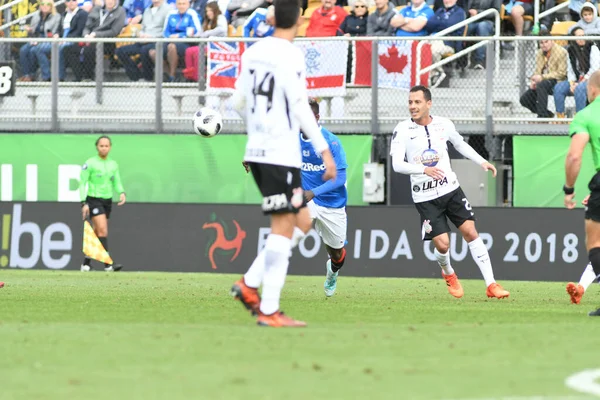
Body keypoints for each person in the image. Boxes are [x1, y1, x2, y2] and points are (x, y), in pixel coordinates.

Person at [230, 0, 336, 328]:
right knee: (283, 227)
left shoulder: (252, 52)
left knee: (304, 220)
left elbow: (238, 102)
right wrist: (323, 150)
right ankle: (269, 309)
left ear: (272, 16)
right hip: (280, 153)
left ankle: (248, 283)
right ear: (301, 19)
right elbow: (300, 105)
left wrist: (255, 136)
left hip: (260, 149)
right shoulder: (291, 55)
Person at [390, 85, 510, 299]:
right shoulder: (402, 130)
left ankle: (491, 285)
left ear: (429, 103)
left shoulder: (444, 124)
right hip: (425, 197)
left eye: (417, 102)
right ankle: (448, 272)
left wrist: (482, 162)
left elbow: (460, 144)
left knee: (470, 231)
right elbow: (397, 165)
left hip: (450, 189)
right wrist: (423, 169)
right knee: (443, 244)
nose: (412, 106)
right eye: (410, 102)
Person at [302, 98, 348, 297]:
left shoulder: (330, 141)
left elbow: (341, 178)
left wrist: (314, 193)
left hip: (331, 203)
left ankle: (332, 271)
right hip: (304, 200)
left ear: (317, 118)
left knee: (337, 255)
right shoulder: (290, 137)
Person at [564, 70, 600, 315]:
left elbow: (575, 156)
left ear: (593, 90)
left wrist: (569, 189)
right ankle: (583, 287)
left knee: (596, 243)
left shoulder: (587, 115)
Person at [80, 135, 126, 272]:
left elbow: (116, 181)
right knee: (103, 230)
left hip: (107, 200)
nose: (104, 148)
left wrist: (121, 192)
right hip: (94, 199)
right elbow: (82, 183)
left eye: (106, 146)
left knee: (96, 233)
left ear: (110, 147)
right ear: (97, 147)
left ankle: (86, 264)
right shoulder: (90, 163)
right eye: (101, 146)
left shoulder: (113, 164)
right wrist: (84, 202)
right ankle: (108, 264)